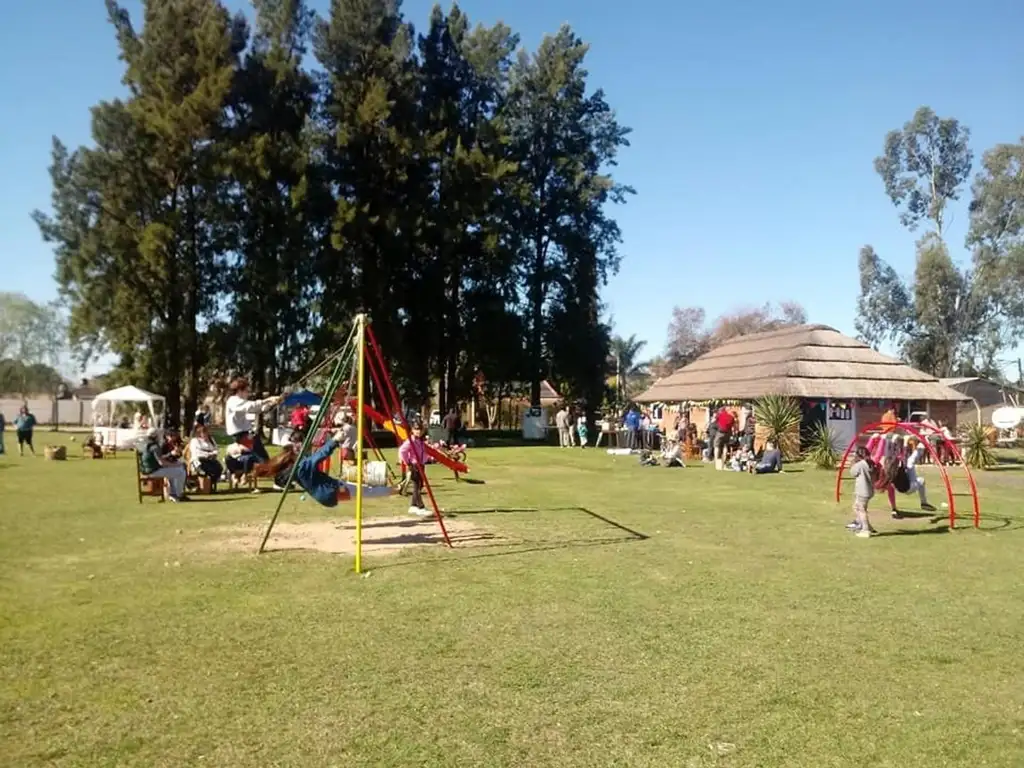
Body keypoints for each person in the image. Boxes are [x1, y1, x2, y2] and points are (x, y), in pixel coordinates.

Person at [224, 378, 281, 463]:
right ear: (240, 390)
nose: (248, 393)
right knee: (259, 459)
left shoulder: (240, 401)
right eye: (247, 391)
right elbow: (250, 406)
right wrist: (268, 399)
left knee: (261, 458)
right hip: (241, 435)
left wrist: (273, 403)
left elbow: (258, 409)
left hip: (247, 434)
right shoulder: (233, 400)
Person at [293, 430, 353, 507]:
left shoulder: (298, 464)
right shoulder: (303, 465)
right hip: (329, 492)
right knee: (360, 490)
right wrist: (335, 440)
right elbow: (321, 454)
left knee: (354, 489)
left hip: (324, 494)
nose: (309, 445)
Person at [139, 432, 187, 502]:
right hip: (153, 471)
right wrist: (176, 465)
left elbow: (159, 458)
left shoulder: (145, 445)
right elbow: (162, 463)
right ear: (156, 437)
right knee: (181, 472)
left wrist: (170, 454)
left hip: (147, 470)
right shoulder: (155, 446)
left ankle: (173, 494)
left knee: (173, 471)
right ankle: (178, 494)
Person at [398, 422, 433, 516]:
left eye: (420, 429)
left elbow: (423, 452)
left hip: (421, 465)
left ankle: (413, 505)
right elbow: (402, 451)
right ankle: (421, 507)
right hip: (414, 465)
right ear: (412, 430)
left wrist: (428, 458)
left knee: (420, 485)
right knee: (417, 485)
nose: (418, 431)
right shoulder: (411, 440)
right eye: (416, 429)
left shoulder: (420, 441)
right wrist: (407, 463)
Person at [847, 446, 877, 537]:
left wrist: (853, 462)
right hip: (869, 490)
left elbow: (852, 473)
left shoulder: (860, 464)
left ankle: (865, 530)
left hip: (862, 491)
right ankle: (868, 527)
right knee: (856, 507)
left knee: (861, 510)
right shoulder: (871, 463)